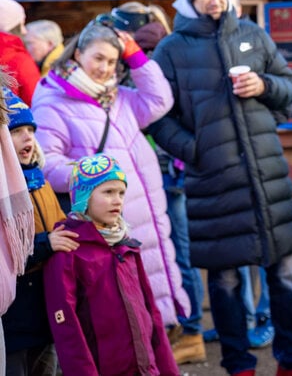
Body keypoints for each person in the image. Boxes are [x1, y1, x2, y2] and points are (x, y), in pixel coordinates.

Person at [149, 0, 292, 376]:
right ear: (191, 1)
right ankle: (239, 365)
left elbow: (289, 89)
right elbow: (157, 116)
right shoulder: (171, 49)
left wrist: (264, 87)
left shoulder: (253, 35)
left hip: (267, 178)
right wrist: (193, 149)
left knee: (285, 274)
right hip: (213, 180)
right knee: (225, 281)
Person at [31, 20, 189, 337]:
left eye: (112, 61)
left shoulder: (119, 97)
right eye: (98, 58)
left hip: (148, 225)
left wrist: (137, 58)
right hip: (107, 231)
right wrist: (92, 173)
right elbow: (48, 167)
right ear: (77, 53)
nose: (105, 68)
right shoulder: (54, 102)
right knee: (124, 327)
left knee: (152, 326)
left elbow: (160, 101)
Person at [43, 154, 178, 375]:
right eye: (107, 192)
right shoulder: (68, 249)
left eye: (121, 193)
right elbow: (68, 328)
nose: (117, 200)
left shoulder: (127, 245)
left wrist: (168, 369)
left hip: (145, 368)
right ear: (83, 197)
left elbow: (151, 313)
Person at [132, 19, 208, 364]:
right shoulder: (175, 68)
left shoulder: (149, 77)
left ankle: (190, 330)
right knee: (175, 252)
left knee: (176, 252)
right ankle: (182, 328)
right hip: (170, 173)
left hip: (167, 175)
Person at [1, 90, 47, 376]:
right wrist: (49, 243)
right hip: (15, 321)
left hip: (44, 316)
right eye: (17, 130)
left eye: (31, 129)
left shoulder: (41, 180)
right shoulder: (8, 191)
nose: (27, 137)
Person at [0, 0, 40, 105]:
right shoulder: (20, 60)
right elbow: (35, 102)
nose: (24, 31)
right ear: (10, 27)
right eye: (21, 24)